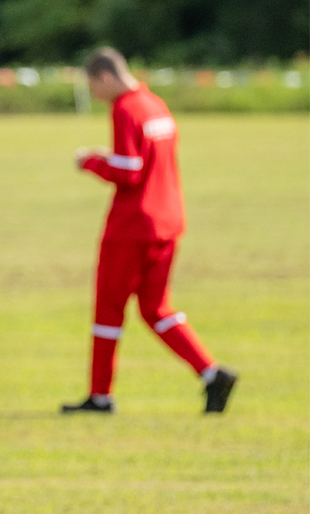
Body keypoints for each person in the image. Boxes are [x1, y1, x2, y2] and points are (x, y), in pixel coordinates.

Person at [63, 47, 236, 415]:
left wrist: (91, 161)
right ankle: (211, 373)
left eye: (94, 87)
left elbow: (130, 171)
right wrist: (111, 157)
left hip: (132, 226)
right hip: (168, 221)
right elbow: (142, 161)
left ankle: (100, 396)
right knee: (157, 309)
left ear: (105, 77)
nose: (95, 95)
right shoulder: (155, 104)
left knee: (108, 309)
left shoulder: (125, 107)